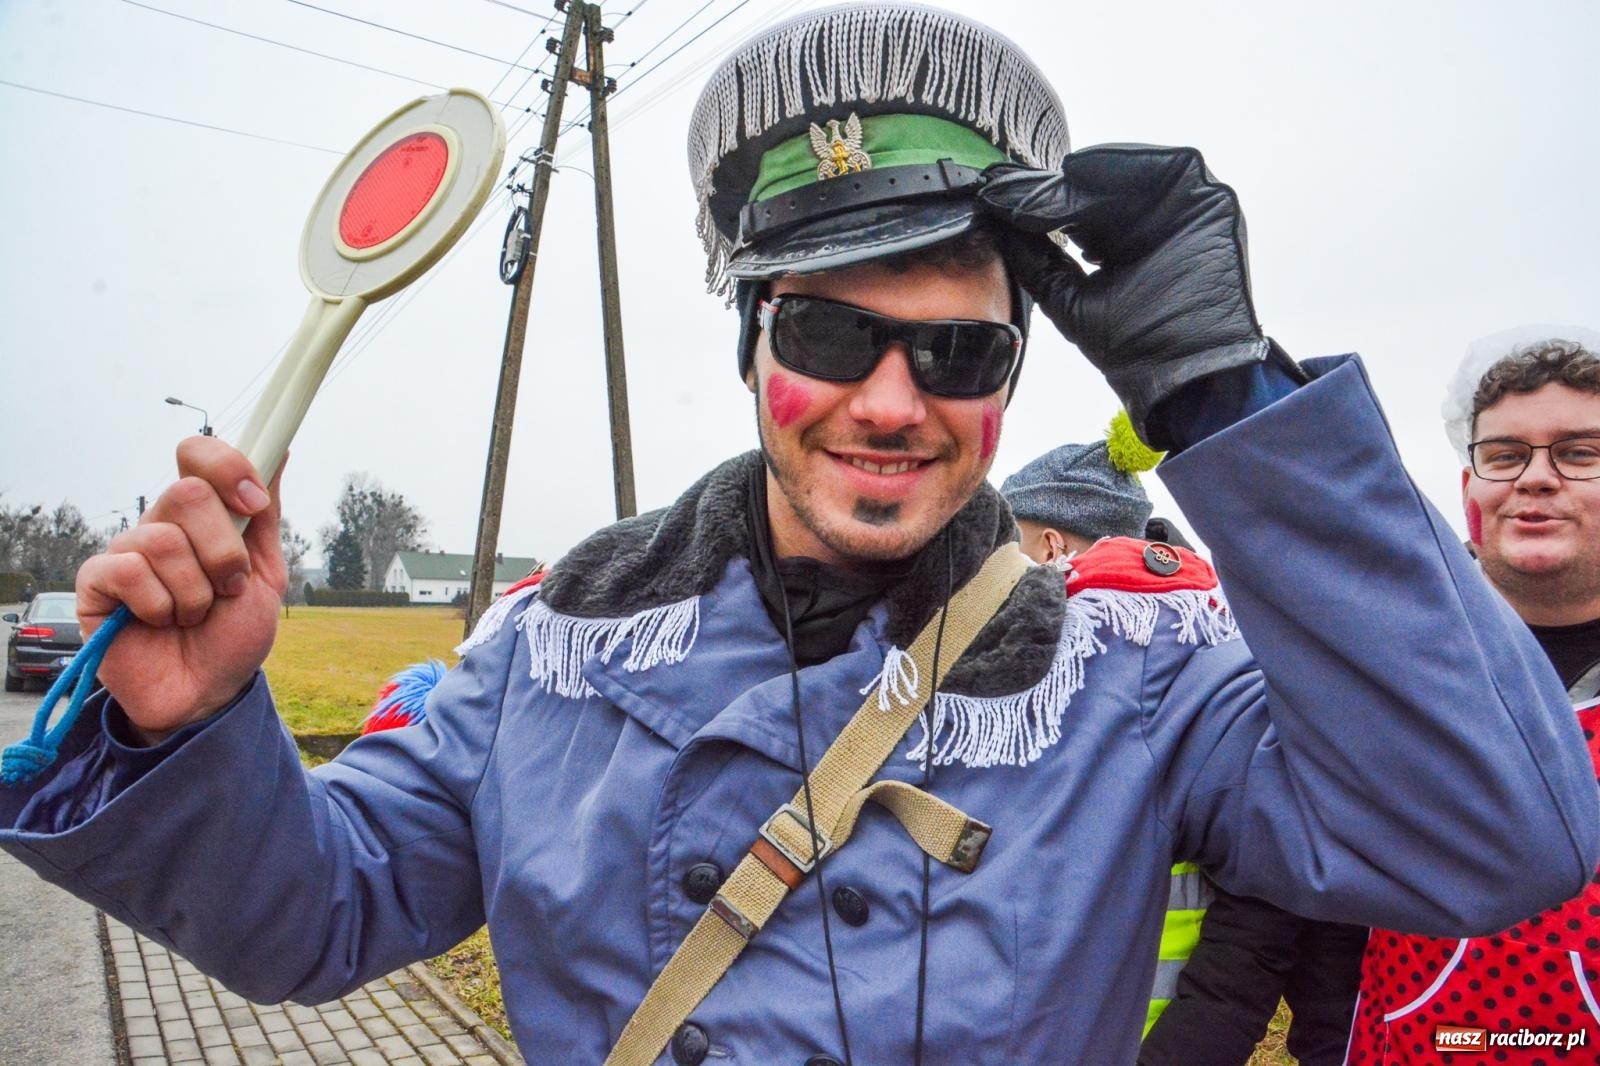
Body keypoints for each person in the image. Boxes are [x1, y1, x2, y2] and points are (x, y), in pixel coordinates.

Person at [1, 7, 1595, 1063]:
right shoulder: (553, 653)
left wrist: (1227, 400)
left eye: (961, 350)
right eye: (833, 336)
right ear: (753, 350)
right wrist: (197, 722)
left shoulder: (1142, 664)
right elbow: (311, 919)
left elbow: (1501, 834)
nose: (893, 401)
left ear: (1012, 377)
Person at [1002, 432, 1368, 1065]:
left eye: (1010, 544)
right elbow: (1264, 906)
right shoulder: (1233, 645)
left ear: (1052, 545)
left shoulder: (1030, 670)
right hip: (1184, 1028)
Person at [1349, 329, 1600, 1062]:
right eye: (1505, 455)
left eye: (1580, 453)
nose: (1536, 478)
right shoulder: (1396, 666)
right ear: (1470, 492)